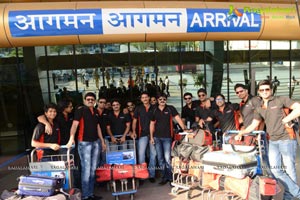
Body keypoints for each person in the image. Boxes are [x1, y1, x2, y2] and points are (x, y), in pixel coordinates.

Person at [236, 79, 300, 200]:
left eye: (267, 89)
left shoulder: (280, 99)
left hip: (286, 139)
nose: (265, 92)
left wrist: (287, 119)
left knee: (290, 169)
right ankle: (297, 193)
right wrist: (242, 132)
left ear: (271, 90)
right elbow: (253, 125)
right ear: (259, 92)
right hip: (273, 141)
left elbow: (298, 108)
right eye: (262, 90)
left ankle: (289, 197)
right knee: (275, 171)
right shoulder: (260, 107)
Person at [66, 92, 106, 200]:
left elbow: (98, 127)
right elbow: (75, 124)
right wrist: (71, 138)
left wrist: (102, 141)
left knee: (93, 169)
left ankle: (90, 194)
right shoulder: (81, 110)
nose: (90, 101)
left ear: (95, 101)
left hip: (95, 142)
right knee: (86, 170)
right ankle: (85, 196)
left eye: (92, 99)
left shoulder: (96, 112)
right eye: (88, 99)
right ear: (84, 100)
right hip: (84, 143)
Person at [150, 93, 186, 185]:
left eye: (164, 99)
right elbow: (152, 124)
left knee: (167, 158)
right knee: (160, 158)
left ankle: (170, 178)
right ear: (157, 100)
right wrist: (151, 137)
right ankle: (164, 177)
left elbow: (178, 119)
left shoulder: (170, 108)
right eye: (160, 99)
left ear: (166, 100)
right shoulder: (154, 110)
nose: (162, 101)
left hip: (167, 137)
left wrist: (185, 129)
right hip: (157, 137)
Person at [131, 92, 157, 183]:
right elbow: (134, 121)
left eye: (146, 97)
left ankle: (152, 174)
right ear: (141, 99)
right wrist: (134, 131)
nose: (145, 99)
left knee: (153, 155)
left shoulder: (154, 108)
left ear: (149, 98)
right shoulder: (138, 108)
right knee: (141, 155)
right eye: (143, 97)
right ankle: (142, 175)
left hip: (153, 135)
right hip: (142, 134)